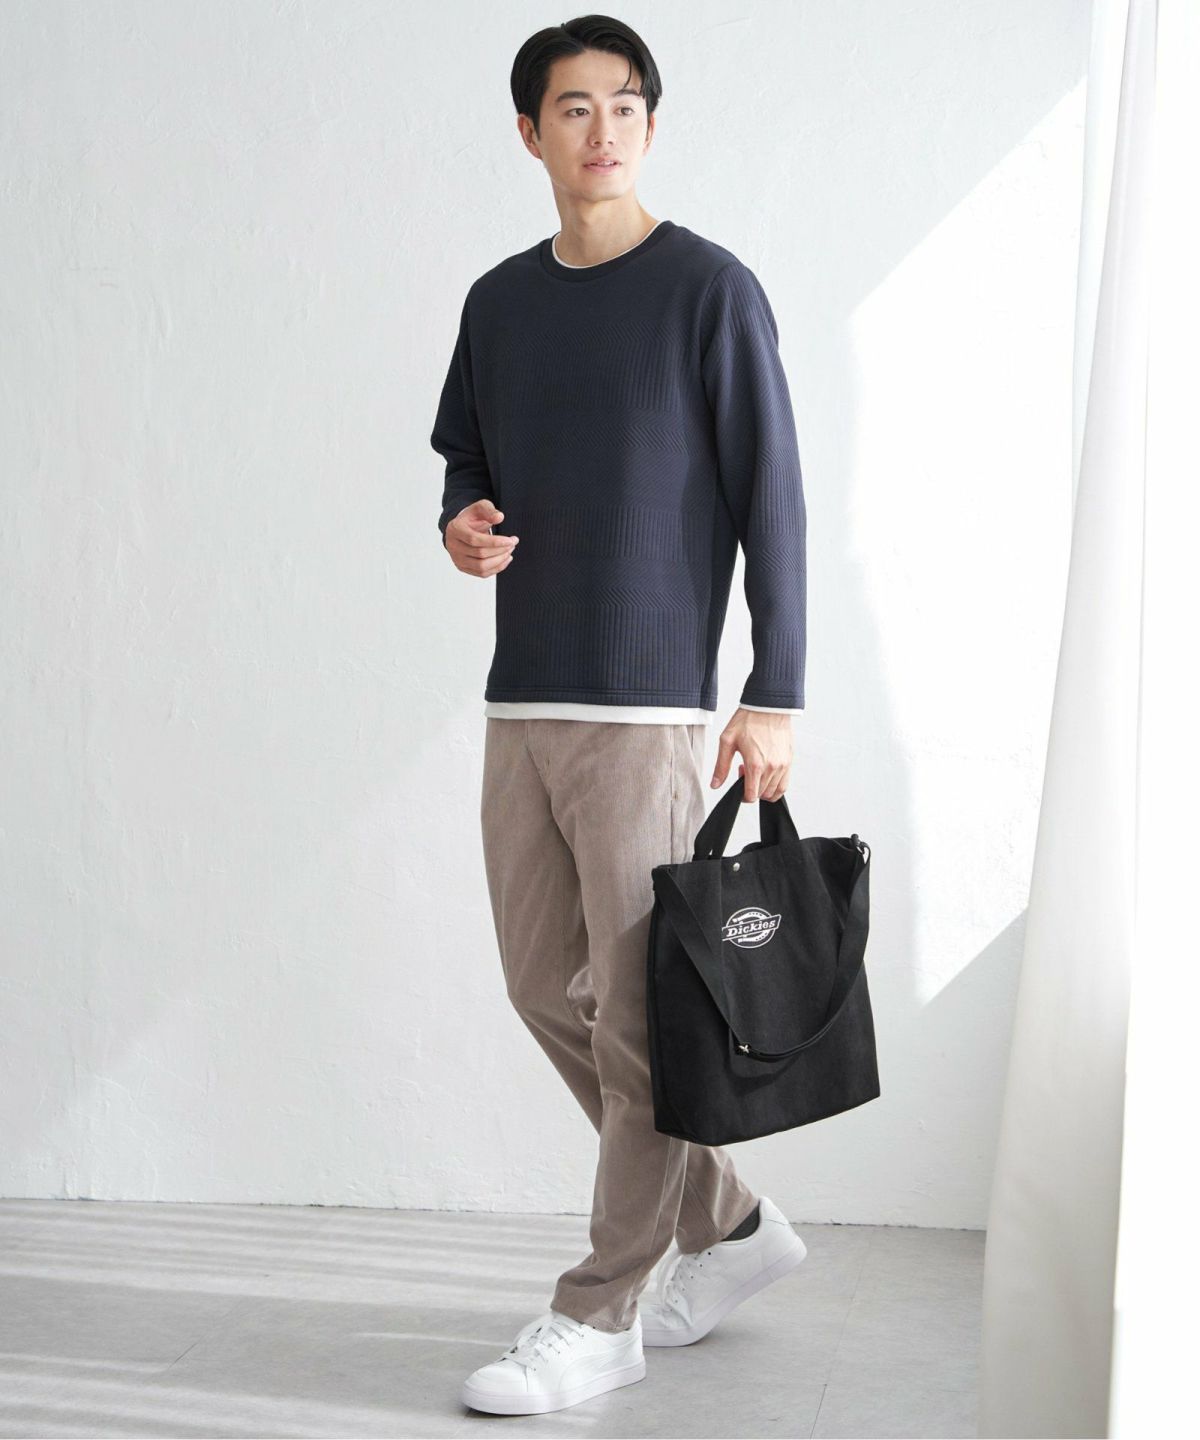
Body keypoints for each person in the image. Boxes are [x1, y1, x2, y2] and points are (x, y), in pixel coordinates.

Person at [430, 14, 809, 1418]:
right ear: (530, 132)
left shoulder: (711, 291)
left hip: (649, 713)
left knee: (645, 1019)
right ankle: (732, 1223)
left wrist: (774, 692)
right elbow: (468, 459)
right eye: (575, 108)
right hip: (521, 698)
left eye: (626, 105)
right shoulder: (498, 302)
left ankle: (602, 1314)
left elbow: (775, 499)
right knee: (549, 989)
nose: (604, 130)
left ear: (651, 124)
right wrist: (461, 523)